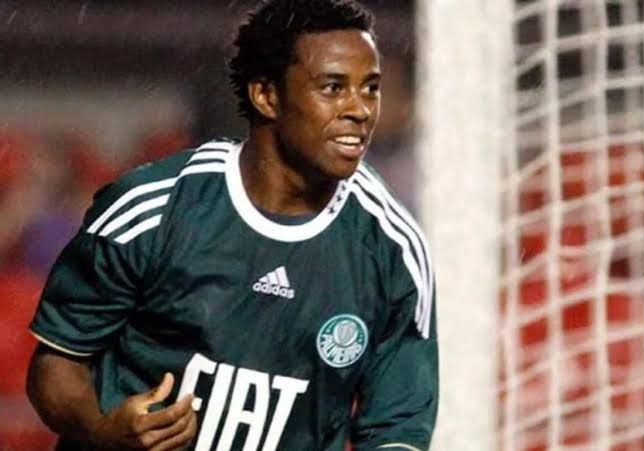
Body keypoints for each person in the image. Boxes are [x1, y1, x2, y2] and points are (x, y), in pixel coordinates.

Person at [26, 0, 438, 450]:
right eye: (333, 87)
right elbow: (57, 365)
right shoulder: (152, 209)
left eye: (371, 88)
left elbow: (397, 431)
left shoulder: (393, 251)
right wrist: (101, 430)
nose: (360, 109)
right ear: (266, 96)